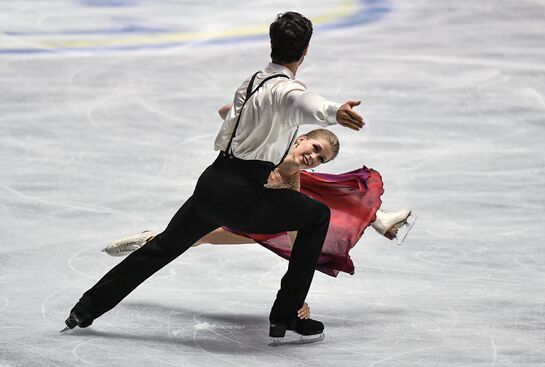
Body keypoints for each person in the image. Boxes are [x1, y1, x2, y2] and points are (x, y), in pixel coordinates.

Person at [63, 11, 366, 345]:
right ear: (305, 51)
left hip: (213, 181)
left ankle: (86, 307)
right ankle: (286, 313)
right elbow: (304, 101)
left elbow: (231, 121)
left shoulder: (251, 82)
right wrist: (334, 110)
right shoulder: (286, 91)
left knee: (164, 247)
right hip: (244, 193)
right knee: (317, 215)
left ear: (271, 44)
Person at [103, 128, 416, 278]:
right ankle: (151, 240)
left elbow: (298, 238)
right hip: (224, 199)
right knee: (197, 237)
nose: (315, 158)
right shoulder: (272, 147)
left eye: (321, 158)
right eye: (316, 148)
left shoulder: (296, 180)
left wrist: (297, 289)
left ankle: (150, 239)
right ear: (301, 137)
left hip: (253, 219)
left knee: (200, 238)